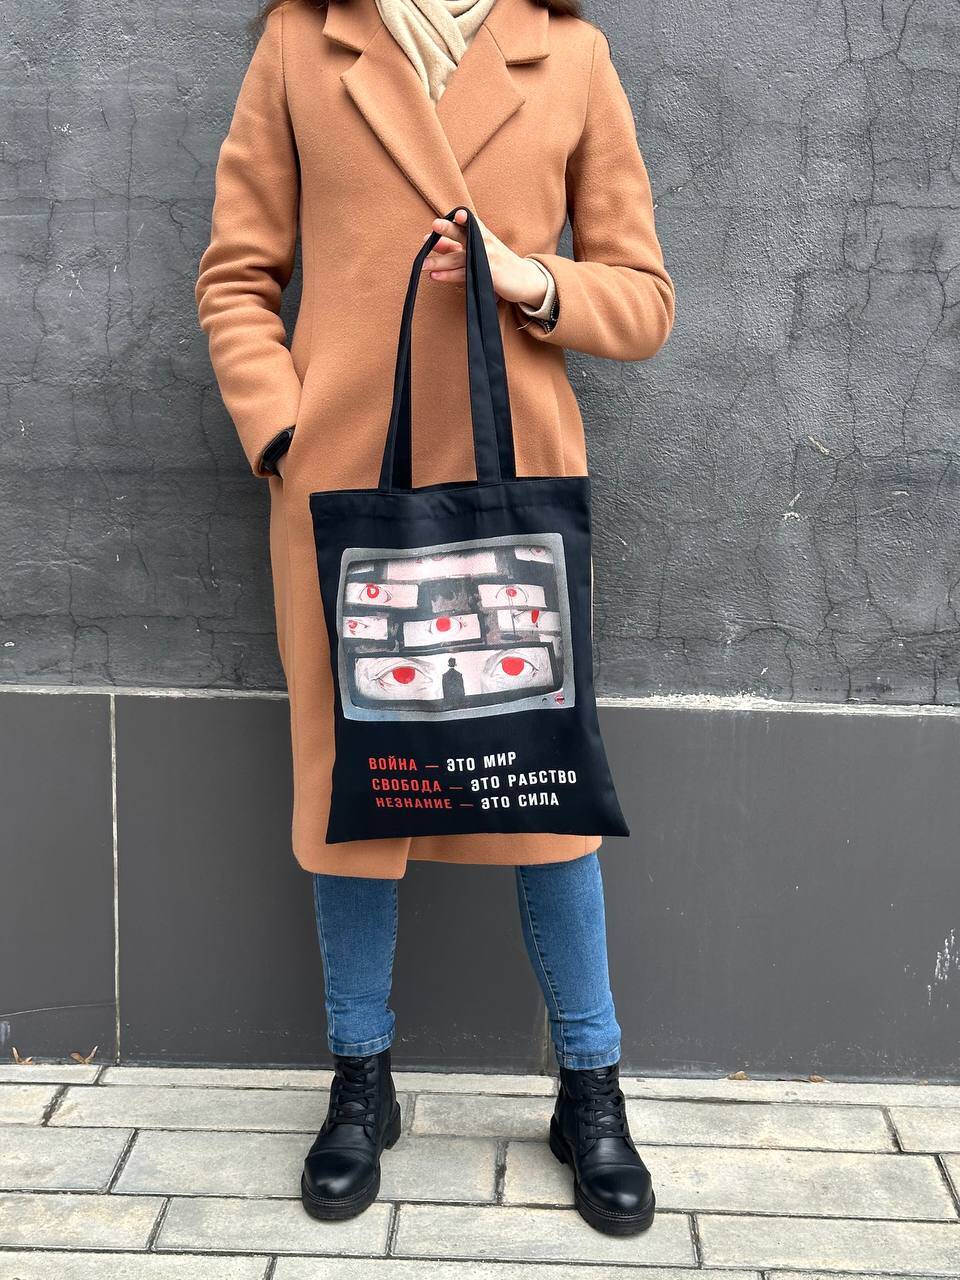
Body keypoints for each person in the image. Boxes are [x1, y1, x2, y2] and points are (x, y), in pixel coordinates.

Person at [195, 0, 675, 1237]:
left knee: (544, 782)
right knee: (353, 787)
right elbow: (237, 275)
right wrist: (288, 434)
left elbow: (644, 298)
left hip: (511, 502)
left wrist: (532, 278)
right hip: (346, 498)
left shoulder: (570, 55)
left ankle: (591, 1085)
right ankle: (360, 1077)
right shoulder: (303, 42)